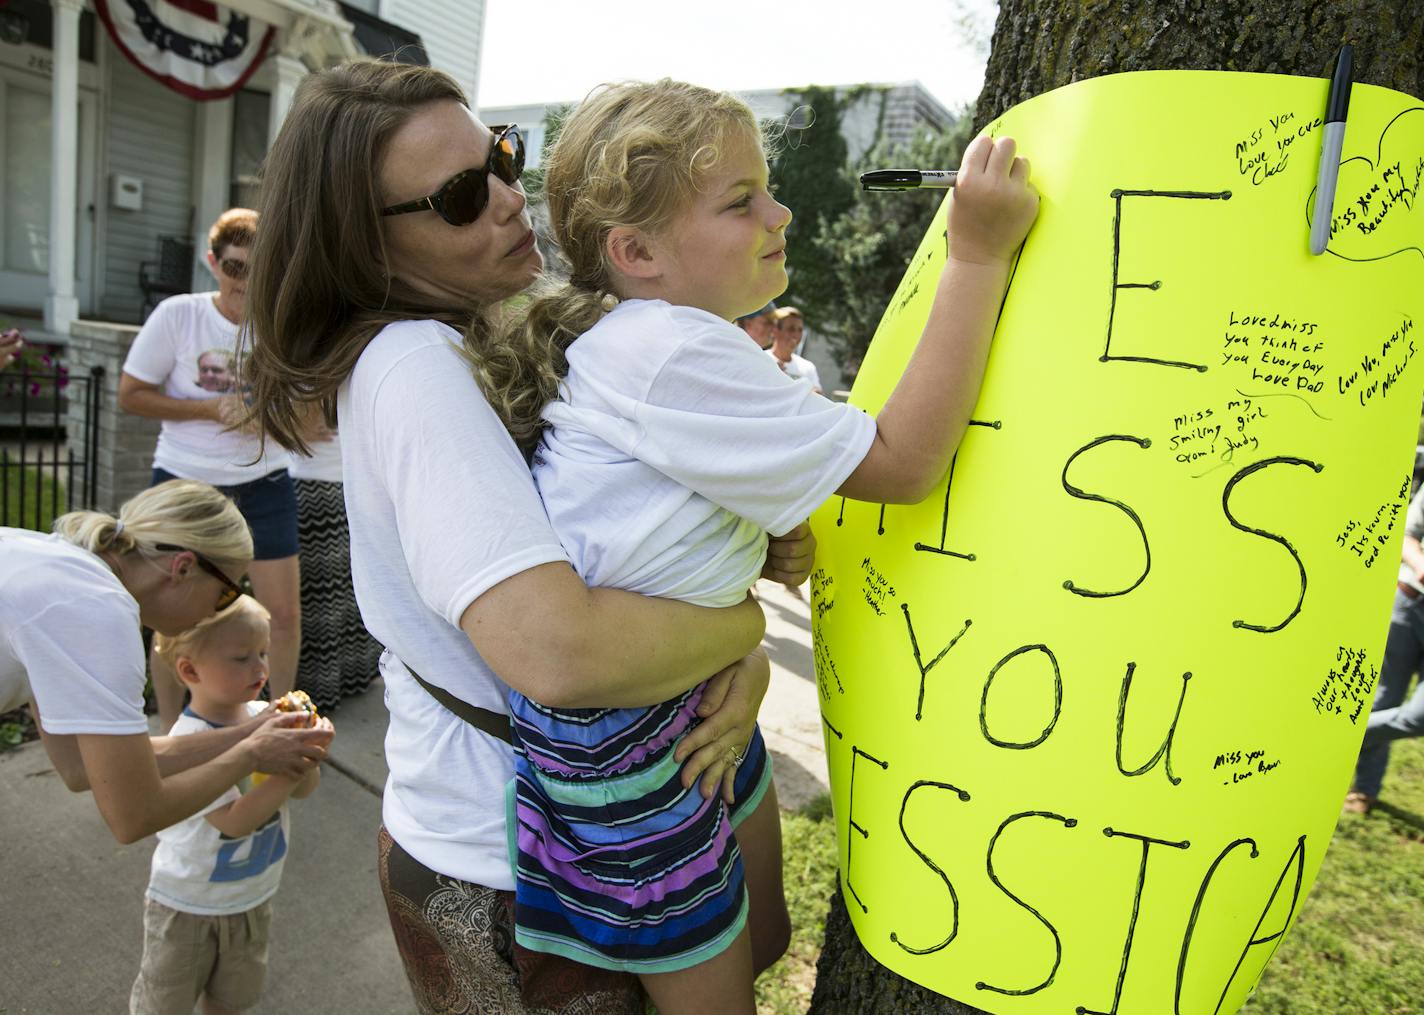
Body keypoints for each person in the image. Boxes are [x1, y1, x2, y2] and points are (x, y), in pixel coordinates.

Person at [242, 60, 814, 1015]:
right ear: (366, 242)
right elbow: (559, 651)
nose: (510, 200)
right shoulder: (415, 365)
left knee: (762, 941)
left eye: (500, 159)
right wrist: (741, 632)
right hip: (526, 854)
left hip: (626, 773)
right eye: (465, 196)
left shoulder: (479, 331)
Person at [483, 79, 1036, 1013]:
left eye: (765, 187)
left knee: (762, 933)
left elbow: (673, 495)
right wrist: (976, 258)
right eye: (742, 201)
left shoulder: (654, 340)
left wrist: (759, 532)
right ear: (639, 252)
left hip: (685, 691)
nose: (780, 212)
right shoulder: (674, 350)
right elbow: (902, 463)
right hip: (629, 739)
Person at [0, 479, 332, 846]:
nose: (216, 613)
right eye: (226, 593)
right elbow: (134, 815)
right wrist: (252, 754)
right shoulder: (97, 610)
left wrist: (252, 731)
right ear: (184, 568)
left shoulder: (63, 565)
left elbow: (79, 767)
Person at [118, 209, 302, 731]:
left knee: (283, 615)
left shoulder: (284, 322)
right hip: (183, 481)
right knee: (170, 619)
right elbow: (131, 395)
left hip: (263, 480)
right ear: (213, 263)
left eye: (257, 267)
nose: (245, 280)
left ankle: (281, 723)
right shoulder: (179, 315)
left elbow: (310, 413)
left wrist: (272, 414)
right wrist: (207, 409)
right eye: (235, 267)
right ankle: (174, 732)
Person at [130, 595, 319, 1015]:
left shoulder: (261, 713)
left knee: (232, 1000)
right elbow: (233, 822)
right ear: (190, 670)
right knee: (167, 1002)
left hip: (252, 896)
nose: (260, 669)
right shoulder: (189, 743)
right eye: (241, 658)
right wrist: (287, 769)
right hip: (188, 905)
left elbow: (303, 791)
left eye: (263, 653)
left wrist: (307, 753)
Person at [287, 425, 381, 712]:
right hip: (313, 483)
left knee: (348, 595)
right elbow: (312, 420)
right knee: (322, 603)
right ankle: (315, 693)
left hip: (349, 480)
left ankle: (348, 681)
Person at [1344, 486, 1424, 814]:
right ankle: (1364, 791)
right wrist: (1421, 565)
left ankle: (1335, 740)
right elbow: (1406, 534)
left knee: (1417, 717)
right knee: (1383, 697)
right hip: (1411, 602)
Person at [767, 306, 823, 392]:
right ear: (775, 330)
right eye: (791, 329)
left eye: (800, 330)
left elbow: (819, 395)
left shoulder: (808, 367)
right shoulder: (762, 359)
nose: (796, 335)